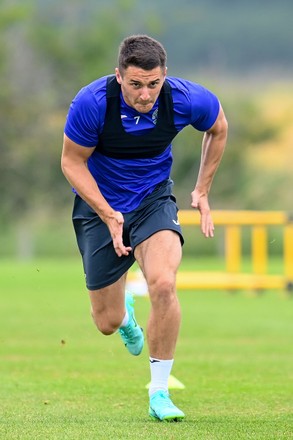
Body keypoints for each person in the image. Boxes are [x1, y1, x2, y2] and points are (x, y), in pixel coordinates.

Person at [61, 34, 228, 422]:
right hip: (99, 205)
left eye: (153, 84)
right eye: (135, 84)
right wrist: (107, 213)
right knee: (106, 322)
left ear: (164, 76)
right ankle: (126, 318)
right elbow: (71, 162)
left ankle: (159, 392)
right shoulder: (92, 103)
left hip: (153, 199)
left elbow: (218, 127)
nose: (145, 94)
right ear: (119, 76)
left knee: (164, 283)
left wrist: (202, 189)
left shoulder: (184, 98)